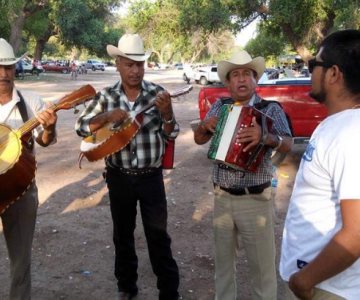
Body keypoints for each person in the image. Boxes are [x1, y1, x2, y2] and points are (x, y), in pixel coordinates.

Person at [75, 33, 180, 300]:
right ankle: (126, 288)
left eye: (139, 64)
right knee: (122, 235)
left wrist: (167, 114)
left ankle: (169, 292)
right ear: (118, 64)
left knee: (158, 236)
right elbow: (80, 126)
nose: (135, 70)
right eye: (129, 64)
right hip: (118, 176)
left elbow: (171, 134)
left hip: (150, 177)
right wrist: (107, 116)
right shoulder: (107, 96)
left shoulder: (158, 94)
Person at [194, 50, 292, 300]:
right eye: (235, 75)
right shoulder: (220, 106)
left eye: (246, 74)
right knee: (224, 269)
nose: (241, 80)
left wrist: (266, 137)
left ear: (255, 79)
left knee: (263, 271)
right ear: (227, 82)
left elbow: (288, 143)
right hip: (222, 198)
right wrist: (205, 126)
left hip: (256, 200)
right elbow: (199, 139)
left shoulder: (270, 109)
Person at [280, 29, 360, 300]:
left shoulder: (351, 134)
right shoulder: (337, 124)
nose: (310, 69)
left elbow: (357, 231)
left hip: (327, 289)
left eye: (315, 64)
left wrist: (305, 280)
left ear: (334, 74)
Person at [0, 38, 57, 299]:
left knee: (20, 263)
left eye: (9, 67)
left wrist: (49, 126)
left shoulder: (32, 101)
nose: (3, 74)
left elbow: (45, 142)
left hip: (21, 193)